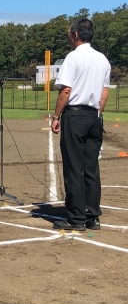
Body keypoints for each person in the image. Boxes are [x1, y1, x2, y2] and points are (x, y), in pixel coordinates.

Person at [51, 18, 111, 231]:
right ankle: (92, 215)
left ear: (75, 35)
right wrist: (97, 114)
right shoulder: (103, 59)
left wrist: (56, 116)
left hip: (75, 116)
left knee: (74, 167)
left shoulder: (73, 58)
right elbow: (104, 92)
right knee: (91, 167)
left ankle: (76, 217)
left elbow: (66, 90)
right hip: (94, 116)